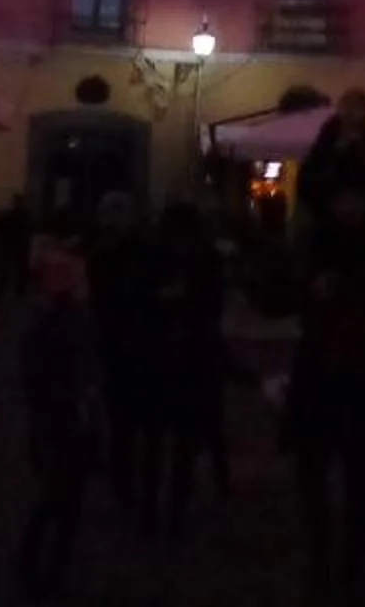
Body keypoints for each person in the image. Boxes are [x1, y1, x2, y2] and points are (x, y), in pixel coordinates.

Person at [284, 192, 365, 599]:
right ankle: (320, 559)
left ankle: (352, 563)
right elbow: (285, 292)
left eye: (356, 199)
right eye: (343, 199)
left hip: (363, 375)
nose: (350, 206)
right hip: (321, 372)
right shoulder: (313, 244)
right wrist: (309, 291)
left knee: (361, 478)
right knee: (315, 477)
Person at [18, 240, 97, 600]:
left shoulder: (45, 324)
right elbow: (76, 375)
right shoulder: (69, 326)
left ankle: (36, 561)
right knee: (64, 498)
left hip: (53, 418)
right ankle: (47, 570)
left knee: (58, 495)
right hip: (66, 418)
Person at [146, 202, 229, 540]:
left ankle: (169, 513)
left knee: (176, 443)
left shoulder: (200, 260)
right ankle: (159, 510)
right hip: (175, 359)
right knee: (168, 443)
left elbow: (210, 304)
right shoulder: (166, 258)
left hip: (185, 359)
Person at [85, 191, 158, 526]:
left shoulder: (110, 255)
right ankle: (132, 491)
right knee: (129, 426)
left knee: (126, 426)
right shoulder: (117, 255)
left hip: (127, 347)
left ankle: (130, 489)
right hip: (128, 347)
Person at [299, 90, 365, 227]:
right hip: (329, 220)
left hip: (362, 220)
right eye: (349, 106)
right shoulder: (329, 137)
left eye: (357, 107)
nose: (352, 113)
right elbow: (311, 177)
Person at [0, 191, 36, 302]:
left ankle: (2, 293)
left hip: (12, 245)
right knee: (17, 271)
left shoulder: (14, 215)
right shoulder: (25, 216)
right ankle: (17, 293)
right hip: (19, 246)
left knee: (7, 272)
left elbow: (2, 227)